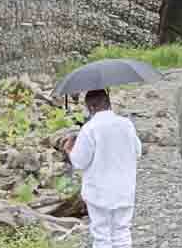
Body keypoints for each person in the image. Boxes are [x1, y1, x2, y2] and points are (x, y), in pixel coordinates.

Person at [64, 89, 142, 248]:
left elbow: (80, 162)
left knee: (101, 235)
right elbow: (138, 151)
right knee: (122, 232)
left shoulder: (89, 128)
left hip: (98, 191)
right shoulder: (126, 124)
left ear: (90, 107)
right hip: (124, 188)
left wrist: (69, 150)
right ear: (108, 102)